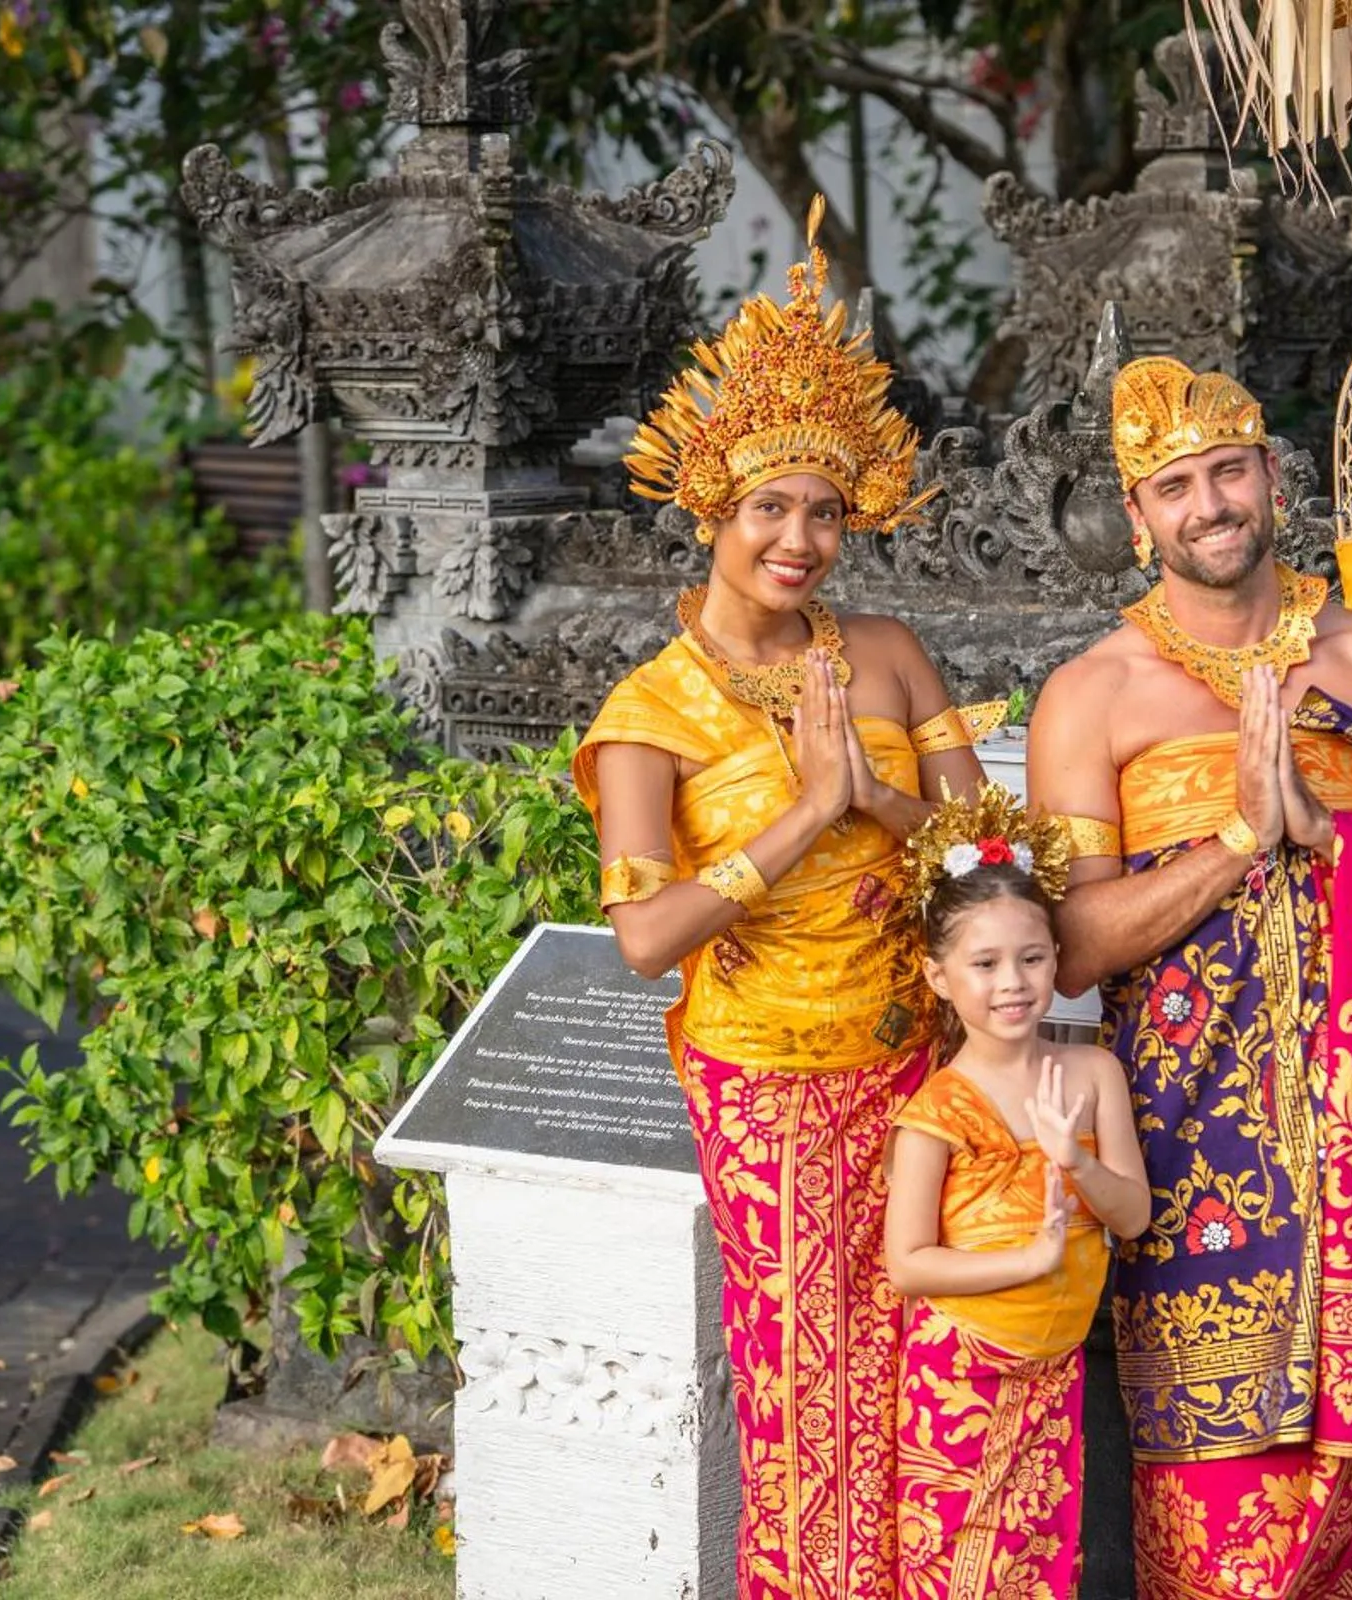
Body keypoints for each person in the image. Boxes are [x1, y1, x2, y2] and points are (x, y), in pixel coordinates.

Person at [1026, 356, 1352, 1598]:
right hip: (1192, 1161)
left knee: (1347, 1542)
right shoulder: (1090, 698)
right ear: (1139, 516)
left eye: (1228, 472)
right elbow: (1071, 944)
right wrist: (1241, 840)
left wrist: (1330, 836)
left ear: (1273, 480)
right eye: (1176, 486)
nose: (1209, 505)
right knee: (1214, 1531)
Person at [574, 198, 986, 1600]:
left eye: (824, 510)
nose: (799, 537)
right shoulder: (651, 711)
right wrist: (805, 813)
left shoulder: (887, 652)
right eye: (769, 507)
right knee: (812, 1387)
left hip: (928, 1061)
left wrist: (874, 804)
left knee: (936, 1375)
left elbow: (993, 863)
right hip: (772, 1088)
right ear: (712, 509)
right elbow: (645, 939)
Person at [882, 784, 1152, 1600]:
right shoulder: (935, 1111)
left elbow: (1133, 1217)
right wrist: (1029, 1260)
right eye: (985, 964)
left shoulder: (1091, 1074)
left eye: (1032, 959)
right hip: (959, 1371)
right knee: (957, 1574)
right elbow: (909, 1265)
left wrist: (1077, 1162)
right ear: (937, 976)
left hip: (1050, 1373)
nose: (1013, 982)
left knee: (1040, 1566)